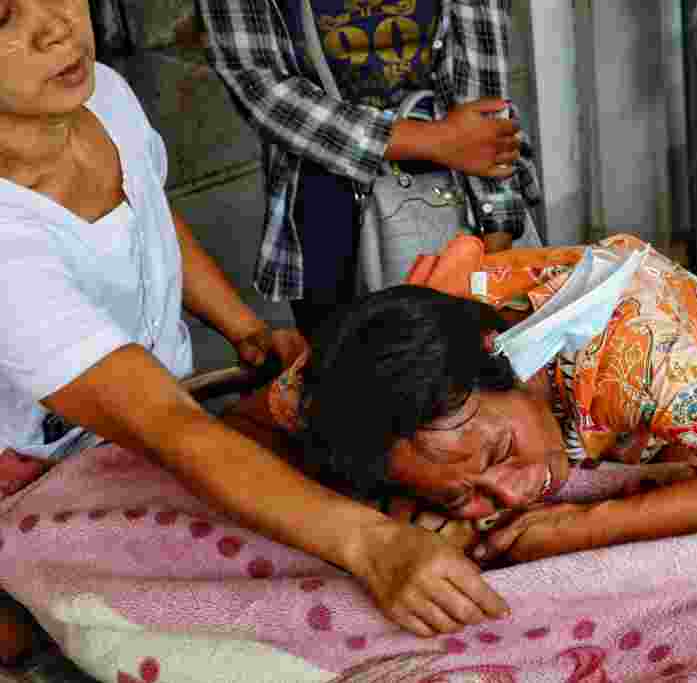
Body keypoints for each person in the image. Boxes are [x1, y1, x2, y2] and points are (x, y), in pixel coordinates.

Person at [0, 0, 511, 641]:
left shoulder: (103, 96)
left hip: (162, 416)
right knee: (271, 608)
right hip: (42, 467)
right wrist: (372, 545)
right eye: (3, 18)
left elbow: (148, 213)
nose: (57, 27)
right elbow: (165, 425)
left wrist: (246, 329)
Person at [226, 234, 697, 564]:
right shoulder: (356, 373)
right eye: (460, 494)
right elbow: (240, 432)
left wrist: (588, 526)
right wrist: (377, 522)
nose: (511, 495)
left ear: (500, 359)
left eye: (499, 452)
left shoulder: (622, 353)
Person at [197, 0, 543, 340]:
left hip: (463, 194)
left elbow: (485, 91)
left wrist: (498, 224)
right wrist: (436, 140)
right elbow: (260, 87)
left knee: (488, 353)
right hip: (329, 215)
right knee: (359, 361)